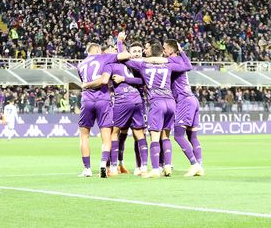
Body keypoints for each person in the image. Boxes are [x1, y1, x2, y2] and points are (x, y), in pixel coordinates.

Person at [124, 41, 192, 178]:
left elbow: (126, 60)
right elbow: (187, 66)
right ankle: (167, 166)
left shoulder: (143, 64)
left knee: (154, 138)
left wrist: (120, 42)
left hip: (156, 102)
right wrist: (181, 51)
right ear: (161, 52)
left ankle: (155, 169)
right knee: (166, 136)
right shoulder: (168, 64)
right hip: (171, 102)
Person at [77, 43, 130, 178]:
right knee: (106, 136)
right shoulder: (103, 58)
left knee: (84, 136)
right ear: (97, 50)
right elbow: (126, 55)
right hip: (103, 100)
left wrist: (87, 85)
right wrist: (120, 43)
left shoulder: (80, 65)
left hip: (87, 100)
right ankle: (102, 163)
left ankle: (87, 169)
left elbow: (84, 82)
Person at [105, 32, 148, 177]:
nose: (136, 54)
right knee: (133, 133)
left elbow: (142, 81)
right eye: (133, 51)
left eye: (138, 51)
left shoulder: (139, 64)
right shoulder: (132, 64)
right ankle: (138, 166)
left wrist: (119, 41)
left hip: (127, 100)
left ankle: (115, 166)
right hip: (136, 100)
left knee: (117, 132)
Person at [160, 40, 203, 177]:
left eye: (165, 48)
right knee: (192, 136)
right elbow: (188, 65)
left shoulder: (171, 62)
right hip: (192, 99)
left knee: (178, 135)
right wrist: (182, 51)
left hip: (184, 101)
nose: (163, 50)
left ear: (171, 50)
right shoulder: (180, 60)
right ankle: (200, 166)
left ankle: (194, 164)